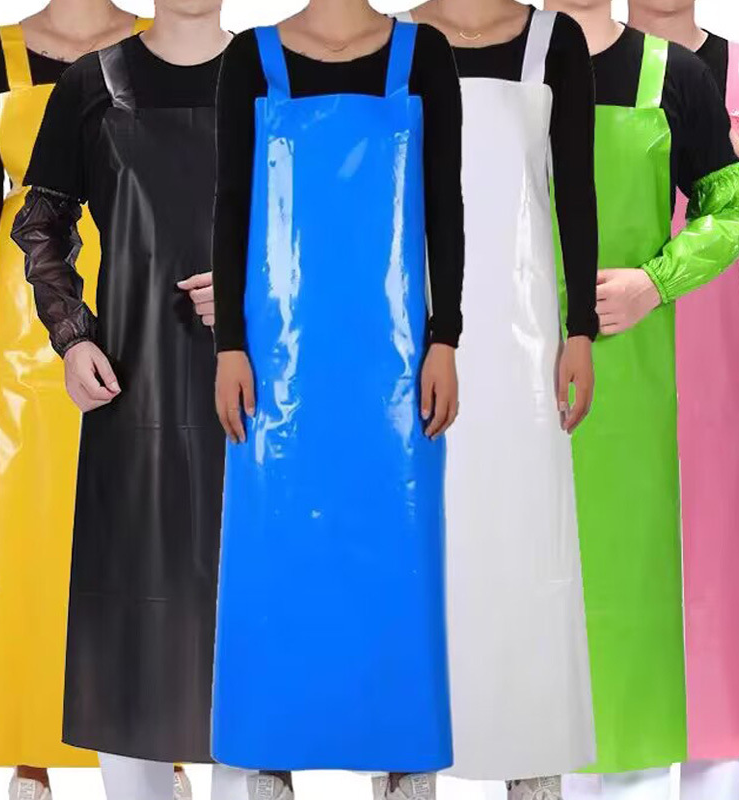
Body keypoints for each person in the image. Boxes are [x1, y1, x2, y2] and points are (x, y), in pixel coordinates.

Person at [210, 1, 464, 798]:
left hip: (394, 367)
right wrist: (228, 347)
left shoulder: (424, 56)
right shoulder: (251, 61)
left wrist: (446, 338)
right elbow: (230, 205)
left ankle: (403, 759)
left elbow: (445, 205)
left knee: (400, 555)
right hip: (279, 365)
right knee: (275, 553)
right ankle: (270, 754)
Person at [11, 1, 244, 798]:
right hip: (131, 379)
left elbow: (313, 222)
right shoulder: (90, 84)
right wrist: (72, 334)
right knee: (129, 603)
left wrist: (254, 295)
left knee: (242, 599)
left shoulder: (270, 80)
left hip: (252, 386)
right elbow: (42, 219)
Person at [538, 0, 739, 798]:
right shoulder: (490, 65)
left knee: (652, 622)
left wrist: (656, 282)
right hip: (512, 380)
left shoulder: (682, 77)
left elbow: (734, 206)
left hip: (653, 386)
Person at [396, 2, 597, 799]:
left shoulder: (554, 41)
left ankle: (531, 759)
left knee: (525, 540)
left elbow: (573, 187)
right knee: (420, 544)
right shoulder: (393, 43)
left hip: (524, 337)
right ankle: (408, 766)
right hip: (412, 330)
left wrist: (579, 329)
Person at [0, 3, 160, 798]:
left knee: (142, 529)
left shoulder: (155, 45)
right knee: (28, 535)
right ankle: (30, 748)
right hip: (20, 332)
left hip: (134, 303)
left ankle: (158, 740)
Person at [625, 3, 739, 798]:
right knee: (619, 594)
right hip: (609, 360)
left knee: (716, 594)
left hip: (715, 382)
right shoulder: (582, 65)